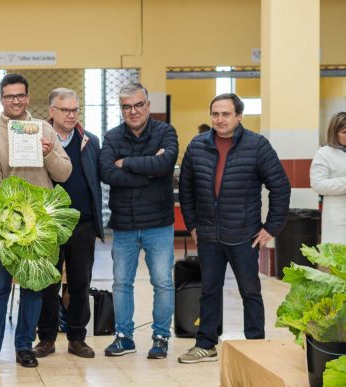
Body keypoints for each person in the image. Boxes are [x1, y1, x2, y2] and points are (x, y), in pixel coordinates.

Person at [177, 93, 290, 363]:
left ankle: (256, 347)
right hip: (208, 236)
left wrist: (271, 227)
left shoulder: (257, 146)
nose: (220, 119)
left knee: (250, 292)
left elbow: (280, 186)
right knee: (209, 291)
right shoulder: (197, 146)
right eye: (215, 114)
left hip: (244, 235)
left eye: (226, 114)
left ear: (239, 116)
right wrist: (192, 225)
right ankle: (205, 344)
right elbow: (186, 189)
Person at [0, 73, 72, 369]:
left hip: (40, 226)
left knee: (33, 286)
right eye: (9, 96)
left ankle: (24, 346)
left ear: (28, 98)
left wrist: (49, 153)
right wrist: (12, 217)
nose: (15, 101)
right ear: (1, 99)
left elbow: (64, 172)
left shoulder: (44, 129)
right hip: (3, 225)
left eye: (20, 95)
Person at [99, 82, 178, 359]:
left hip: (159, 224)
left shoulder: (165, 132)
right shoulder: (112, 137)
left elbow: (165, 165)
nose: (133, 111)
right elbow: (107, 173)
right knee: (121, 283)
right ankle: (124, 337)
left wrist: (127, 163)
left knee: (163, 283)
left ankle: (161, 337)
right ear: (121, 109)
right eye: (127, 107)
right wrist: (148, 170)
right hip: (124, 225)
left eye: (138, 105)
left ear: (148, 105)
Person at [33, 88, 103, 359]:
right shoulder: (37, 140)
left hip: (82, 224)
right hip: (48, 223)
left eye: (75, 109)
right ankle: (46, 338)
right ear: (51, 111)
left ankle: (77, 338)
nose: (71, 115)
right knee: (47, 284)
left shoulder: (90, 141)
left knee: (80, 283)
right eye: (65, 110)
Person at [310, 112, 346, 245]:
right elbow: (318, 184)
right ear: (334, 133)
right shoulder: (324, 154)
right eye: (345, 132)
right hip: (338, 216)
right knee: (339, 254)